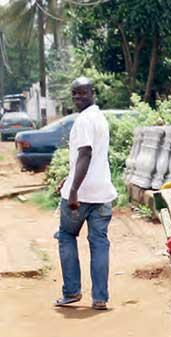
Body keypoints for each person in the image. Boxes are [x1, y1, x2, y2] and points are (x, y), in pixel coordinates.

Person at [55, 77, 116, 310]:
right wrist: (68, 178)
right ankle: (100, 298)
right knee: (99, 243)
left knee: (66, 236)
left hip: (80, 195)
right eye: (74, 94)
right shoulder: (100, 118)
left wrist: (73, 190)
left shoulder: (83, 120)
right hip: (102, 192)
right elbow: (92, 157)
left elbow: (86, 154)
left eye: (82, 93)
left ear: (93, 92)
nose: (77, 97)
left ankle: (72, 292)